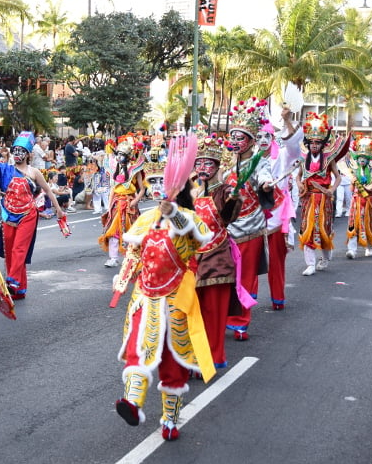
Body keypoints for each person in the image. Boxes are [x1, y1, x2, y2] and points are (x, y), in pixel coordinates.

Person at [113, 186, 214, 441]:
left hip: (176, 299)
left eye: (164, 184)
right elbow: (135, 253)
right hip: (144, 297)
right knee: (137, 347)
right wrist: (122, 279)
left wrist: (175, 214)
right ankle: (132, 403)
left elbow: (196, 236)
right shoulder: (146, 218)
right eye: (155, 183)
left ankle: (170, 420)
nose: (159, 190)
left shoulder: (190, 217)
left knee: (173, 360)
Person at [0, 131, 65, 300]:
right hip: (8, 214)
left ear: (28, 154)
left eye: (21, 151)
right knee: (10, 251)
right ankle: (19, 288)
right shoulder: (5, 170)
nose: (17, 154)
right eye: (15, 150)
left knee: (19, 248)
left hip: (28, 214)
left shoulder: (34, 172)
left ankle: (12, 280)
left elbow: (48, 190)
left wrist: (58, 209)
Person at [222, 98, 274, 340]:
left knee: (246, 276)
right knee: (223, 275)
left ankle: (241, 321)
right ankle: (223, 315)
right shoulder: (224, 165)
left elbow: (265, 176)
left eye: (240, 138)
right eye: (233, 137)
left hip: (250, 229)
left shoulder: (260, 163)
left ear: (252, 141)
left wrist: (265, 184)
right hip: (226, 229)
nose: (235, 141)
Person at [191, 127, 242, 368]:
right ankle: (192, 356)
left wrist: (235, 198)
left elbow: (228, 217)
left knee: (213, 314)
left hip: (217, 259)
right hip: (191, 259)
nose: (202, 168)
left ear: (217, 166)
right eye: (199, 163)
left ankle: (210, 358)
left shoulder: (224, 191)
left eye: (207, 164)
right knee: (191, 314)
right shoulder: (190, 192)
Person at [297, 114, 346, 276]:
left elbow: (338, 177)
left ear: (323, 144)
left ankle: (325, 258)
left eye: (318, 142)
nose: (314, 145)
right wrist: (299, 185)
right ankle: (310, 264)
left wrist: (331, 189)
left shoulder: (329, 159)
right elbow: (298, 175)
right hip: (308, 199)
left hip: (324, 199)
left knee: (323, 228)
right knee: (308, 230)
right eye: (311, 142)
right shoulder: (304, 159)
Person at [262, 109, 301, 311]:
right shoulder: (246, 160)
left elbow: (295, 148)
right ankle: (241, 308)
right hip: (250, 217)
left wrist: (287, 121)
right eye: (257, 136)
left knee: (276, 261)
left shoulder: (283, 156)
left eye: (265, 136)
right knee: (244, 265)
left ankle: (278, 297)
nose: (261, 140)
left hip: (276, 216)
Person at [99, 136, 146, 268]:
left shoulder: (134, 169)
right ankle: (113, 257)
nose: (119, 157)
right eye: (118, 154)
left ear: (128, 156)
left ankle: (132, 256)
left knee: (131, 230)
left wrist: (134, 201)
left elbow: (141, 189)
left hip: (129, 203)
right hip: (116, 203)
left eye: (122, 155)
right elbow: (113, 189)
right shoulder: (114, 168)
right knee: (114, 231)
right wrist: (109, 206)